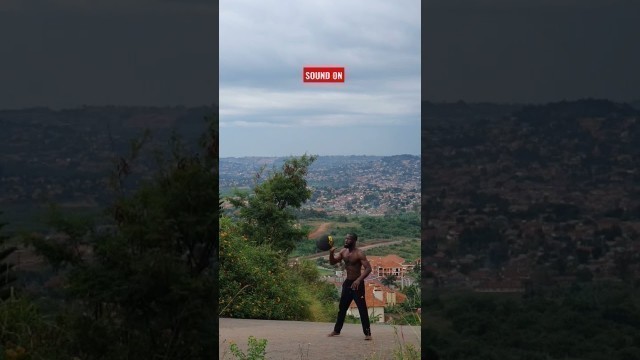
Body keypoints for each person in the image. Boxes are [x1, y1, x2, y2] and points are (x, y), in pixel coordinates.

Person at [327, 233, 373, 340]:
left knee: (362, 309)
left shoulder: (359, 253)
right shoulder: (343, 251)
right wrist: (331, 253)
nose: (346, 240)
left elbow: (368, 269)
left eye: (348, 239)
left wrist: (358, 280)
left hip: (357, 284)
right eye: (345, 238)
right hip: (348, 283)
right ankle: (336, 330)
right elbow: (332, 262)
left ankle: (368, 334)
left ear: (354, 241)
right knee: (342, 308)